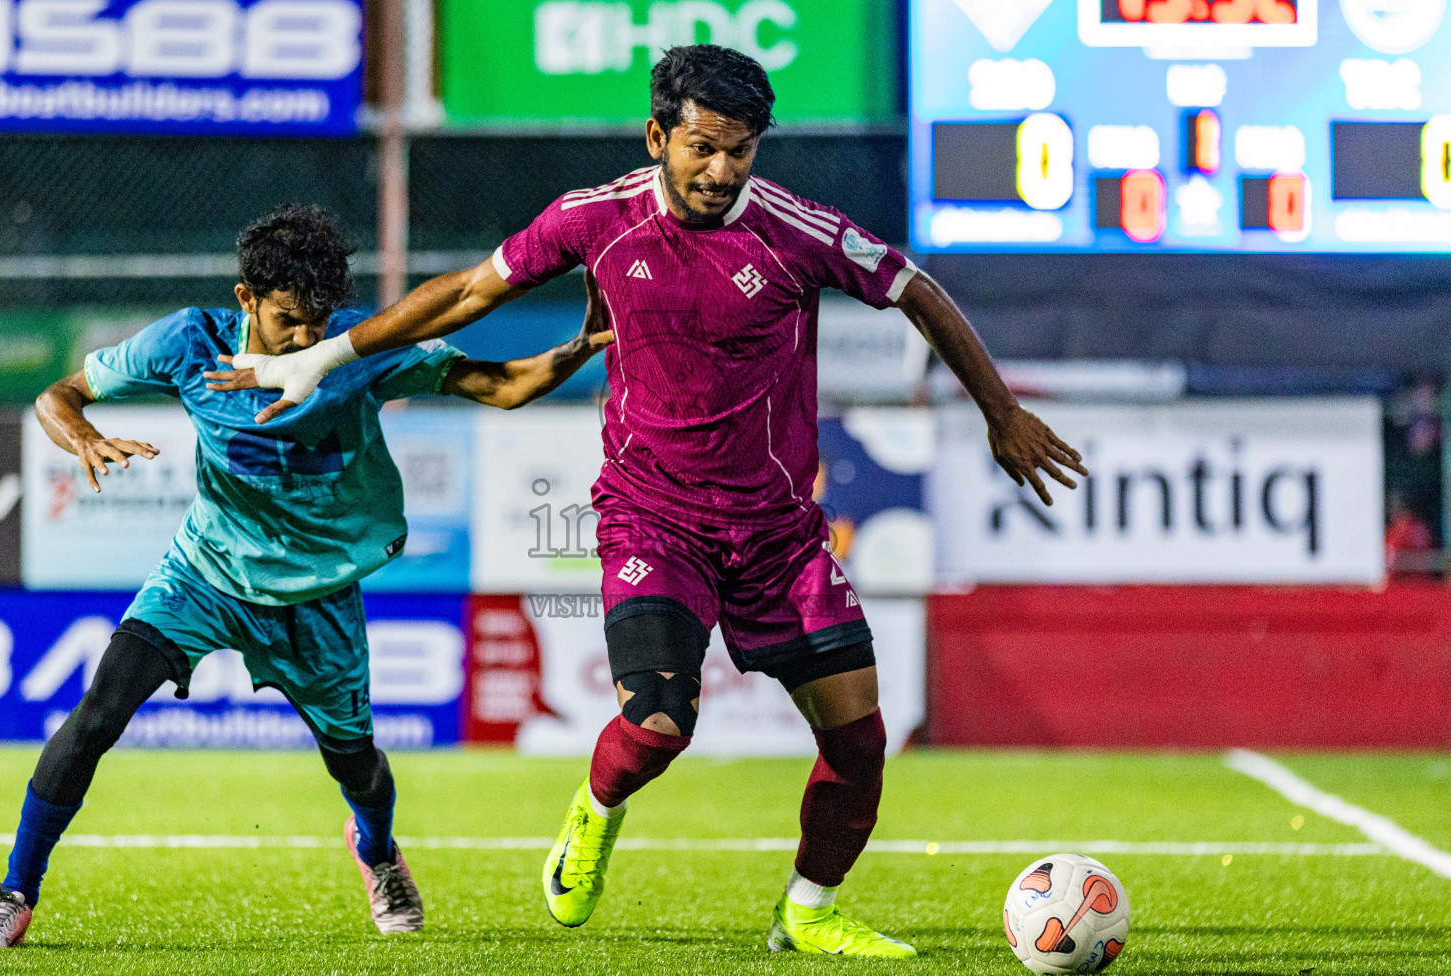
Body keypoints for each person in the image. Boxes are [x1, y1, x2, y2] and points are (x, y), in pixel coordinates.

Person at [208, 46, 1086, 958]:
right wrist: (323, 357)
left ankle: (810, 909)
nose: (722, 171)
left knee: (860, 739)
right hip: (651, 516)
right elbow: (470, 293)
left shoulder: (798, 231)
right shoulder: (597, 220)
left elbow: (917, 290)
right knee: (660, 722)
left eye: (741, 150)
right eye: (703, 147)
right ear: (658, 134)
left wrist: (1001, 412)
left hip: (779, 536)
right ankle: (594, 814)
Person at [0, 203, 612, 949]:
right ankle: (14, 892)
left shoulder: (361, 345)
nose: (307, 338)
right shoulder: (188, 342)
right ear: (245, 300)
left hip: (318, 596)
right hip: (205, 576)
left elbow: (500, 386)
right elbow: (59, 395)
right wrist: (86, 438)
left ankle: (377, 853)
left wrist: (580, 347)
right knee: (97, 716)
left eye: (319, 319)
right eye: (287, 319)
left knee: (358, 767)